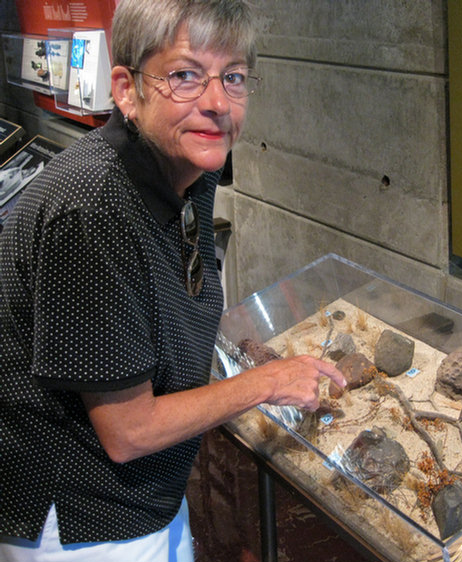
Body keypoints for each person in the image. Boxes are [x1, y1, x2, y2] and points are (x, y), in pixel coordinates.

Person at [0, 1, 346, 560]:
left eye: (233, 77)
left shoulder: (184, 169)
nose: (216, 103)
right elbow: (128, 432)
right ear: (127, 89)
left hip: (146, 497)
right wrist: (268, 382)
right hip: (84, 521)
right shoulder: (91, 208)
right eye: (184, 75)